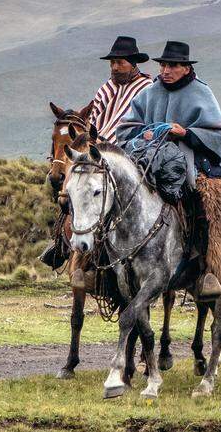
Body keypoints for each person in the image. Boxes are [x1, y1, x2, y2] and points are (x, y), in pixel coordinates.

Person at [116, 41, 221, 300]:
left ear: (185, 68)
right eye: (163, 65)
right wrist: (144, 132)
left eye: (172, 65)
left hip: (195, 160)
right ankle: (102, 265)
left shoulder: (202, 93)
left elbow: (217, 133)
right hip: (149, 159)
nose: (166, 70)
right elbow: (126, 128)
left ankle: (209, 269)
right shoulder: (150, 92)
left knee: (211, 199)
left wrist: (186, 132)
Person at [39, 36, 152, 268]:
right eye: (112, 63)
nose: (114, 67)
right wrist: (91, 140)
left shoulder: (146, 89)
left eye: (119, 62)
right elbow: (96, 119)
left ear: (132, 63)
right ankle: (63, 240)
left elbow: (145, 122)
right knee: (73, 185)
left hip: (129, 150)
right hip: (98, 147)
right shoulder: (106, 88)